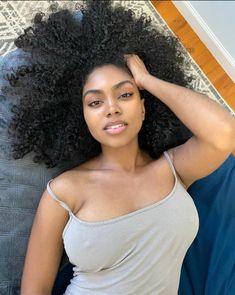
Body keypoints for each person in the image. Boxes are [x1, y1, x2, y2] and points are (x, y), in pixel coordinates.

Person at [4, 1, 235, 294]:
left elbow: (223, 132)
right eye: (95, 102)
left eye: (125, 94)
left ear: (143, 106)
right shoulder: (64, 192)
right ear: (82, 117)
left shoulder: (174, 169)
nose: (111, 109)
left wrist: (146, 80)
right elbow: (33, 290)